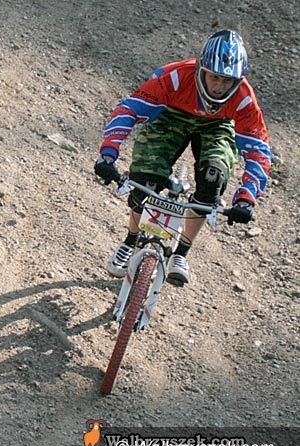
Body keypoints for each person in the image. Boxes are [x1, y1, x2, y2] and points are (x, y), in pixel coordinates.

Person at [94, 29, 272, 286]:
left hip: (218, 125)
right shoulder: (175, 77)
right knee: (144, 180)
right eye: (215, 77)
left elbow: (258, 150)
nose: (220, 86)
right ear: (201, 69)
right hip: (171, 115)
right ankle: (131, 239)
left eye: (227, 81)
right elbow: (128, 110)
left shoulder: (244, 98)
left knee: (212, 181)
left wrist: (246, 198)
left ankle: (180, 253)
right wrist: (108, 154)